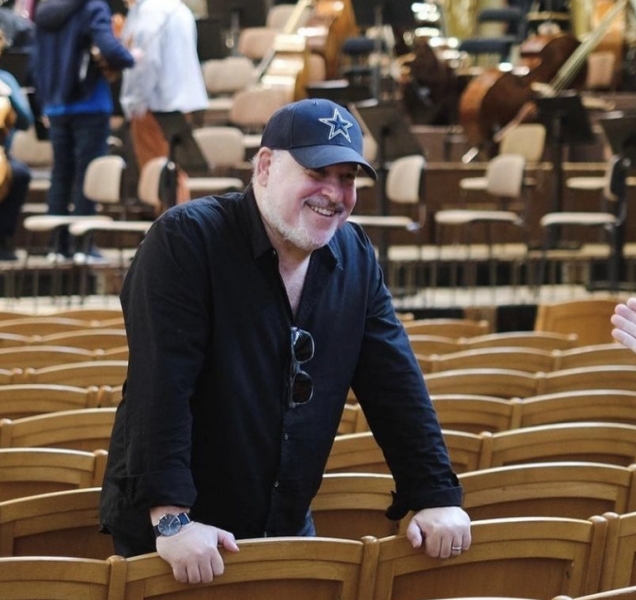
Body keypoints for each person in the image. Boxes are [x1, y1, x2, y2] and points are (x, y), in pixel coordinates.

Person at [99, 98, 471, 584]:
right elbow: (161, 388)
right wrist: (171, 519)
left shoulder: (354, 253)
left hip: (285, 522)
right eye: (319, 172)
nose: (334, 193)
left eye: (347, 178)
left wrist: (433, 494)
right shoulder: (186, 240)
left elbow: (394, 382)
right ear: (266, 166)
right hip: (178, 535)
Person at [33, 0, 136, 260]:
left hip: (56, 104)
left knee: (60, 175)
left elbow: (35, 60)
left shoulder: (44, 10)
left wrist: (46, 100)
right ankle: (83, 246)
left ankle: (57, 247)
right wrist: (130, 58)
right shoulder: (92, 6)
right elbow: (109, 48)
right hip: (89, 103)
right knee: (87, 174)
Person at [118, 0, 208, 205]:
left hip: (154, 106)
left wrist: (135, 102)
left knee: (162, 179)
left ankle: (175, 233)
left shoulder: (149, 11)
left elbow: (145, 62)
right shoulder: (178, 7)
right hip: (179, 103)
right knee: (171, 175)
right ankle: (177, 230)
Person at [0, 28, 32, 261]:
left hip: (2, 155)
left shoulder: (6, 79)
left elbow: (25, 120)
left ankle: (4, 238)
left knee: (19, 174)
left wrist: (9, 95)